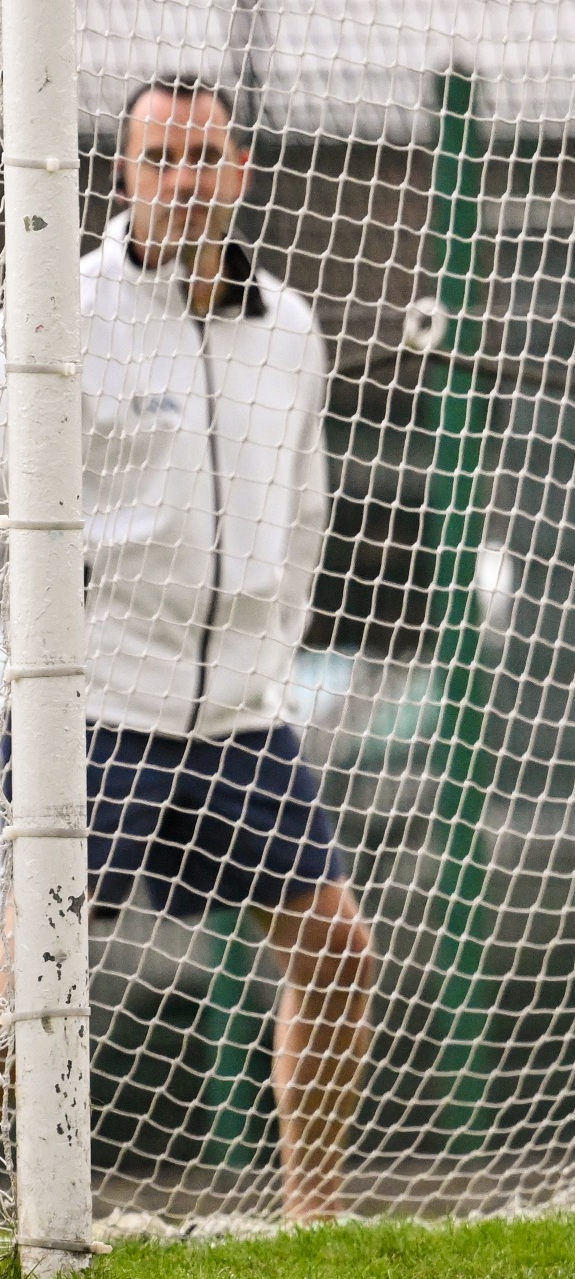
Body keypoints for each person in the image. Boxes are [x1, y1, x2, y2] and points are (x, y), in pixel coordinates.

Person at [0, 76, 375, 1220]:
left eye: (203, 157)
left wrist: (269, 659)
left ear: (241, 169)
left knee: (338, 952)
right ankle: (23, 1209)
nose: (183, 182)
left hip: (240, 717)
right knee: (23, 969)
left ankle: (314, 1220)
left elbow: (302, 512)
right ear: (125, 173)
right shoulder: (66, 310)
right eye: (159, 159)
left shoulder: (292, 330)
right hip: (100, 704)